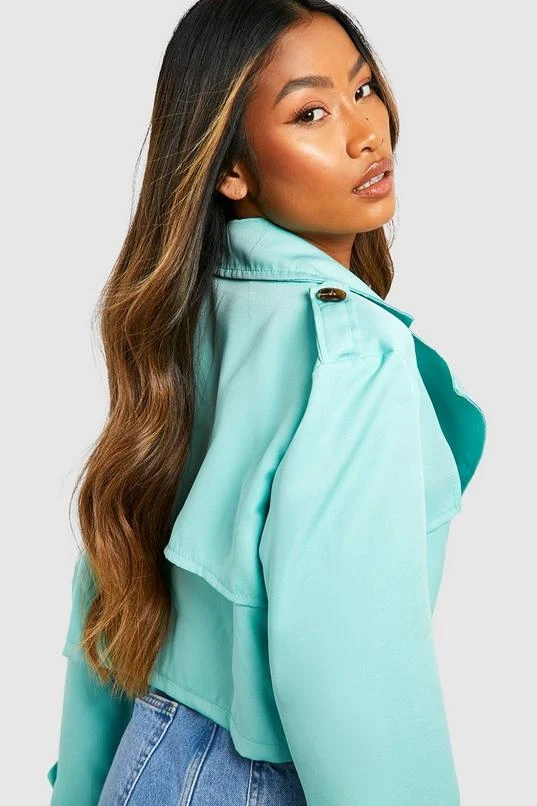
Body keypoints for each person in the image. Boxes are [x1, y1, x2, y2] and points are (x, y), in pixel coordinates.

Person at [47, 1, 487, 804]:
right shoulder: (350, 354)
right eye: (311, 113)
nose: (365, 134)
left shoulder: (185, 320)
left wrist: (78, 788)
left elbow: (110, 602)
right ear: (231, 170)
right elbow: (348, 665)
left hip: (143, 763)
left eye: (362, 90)